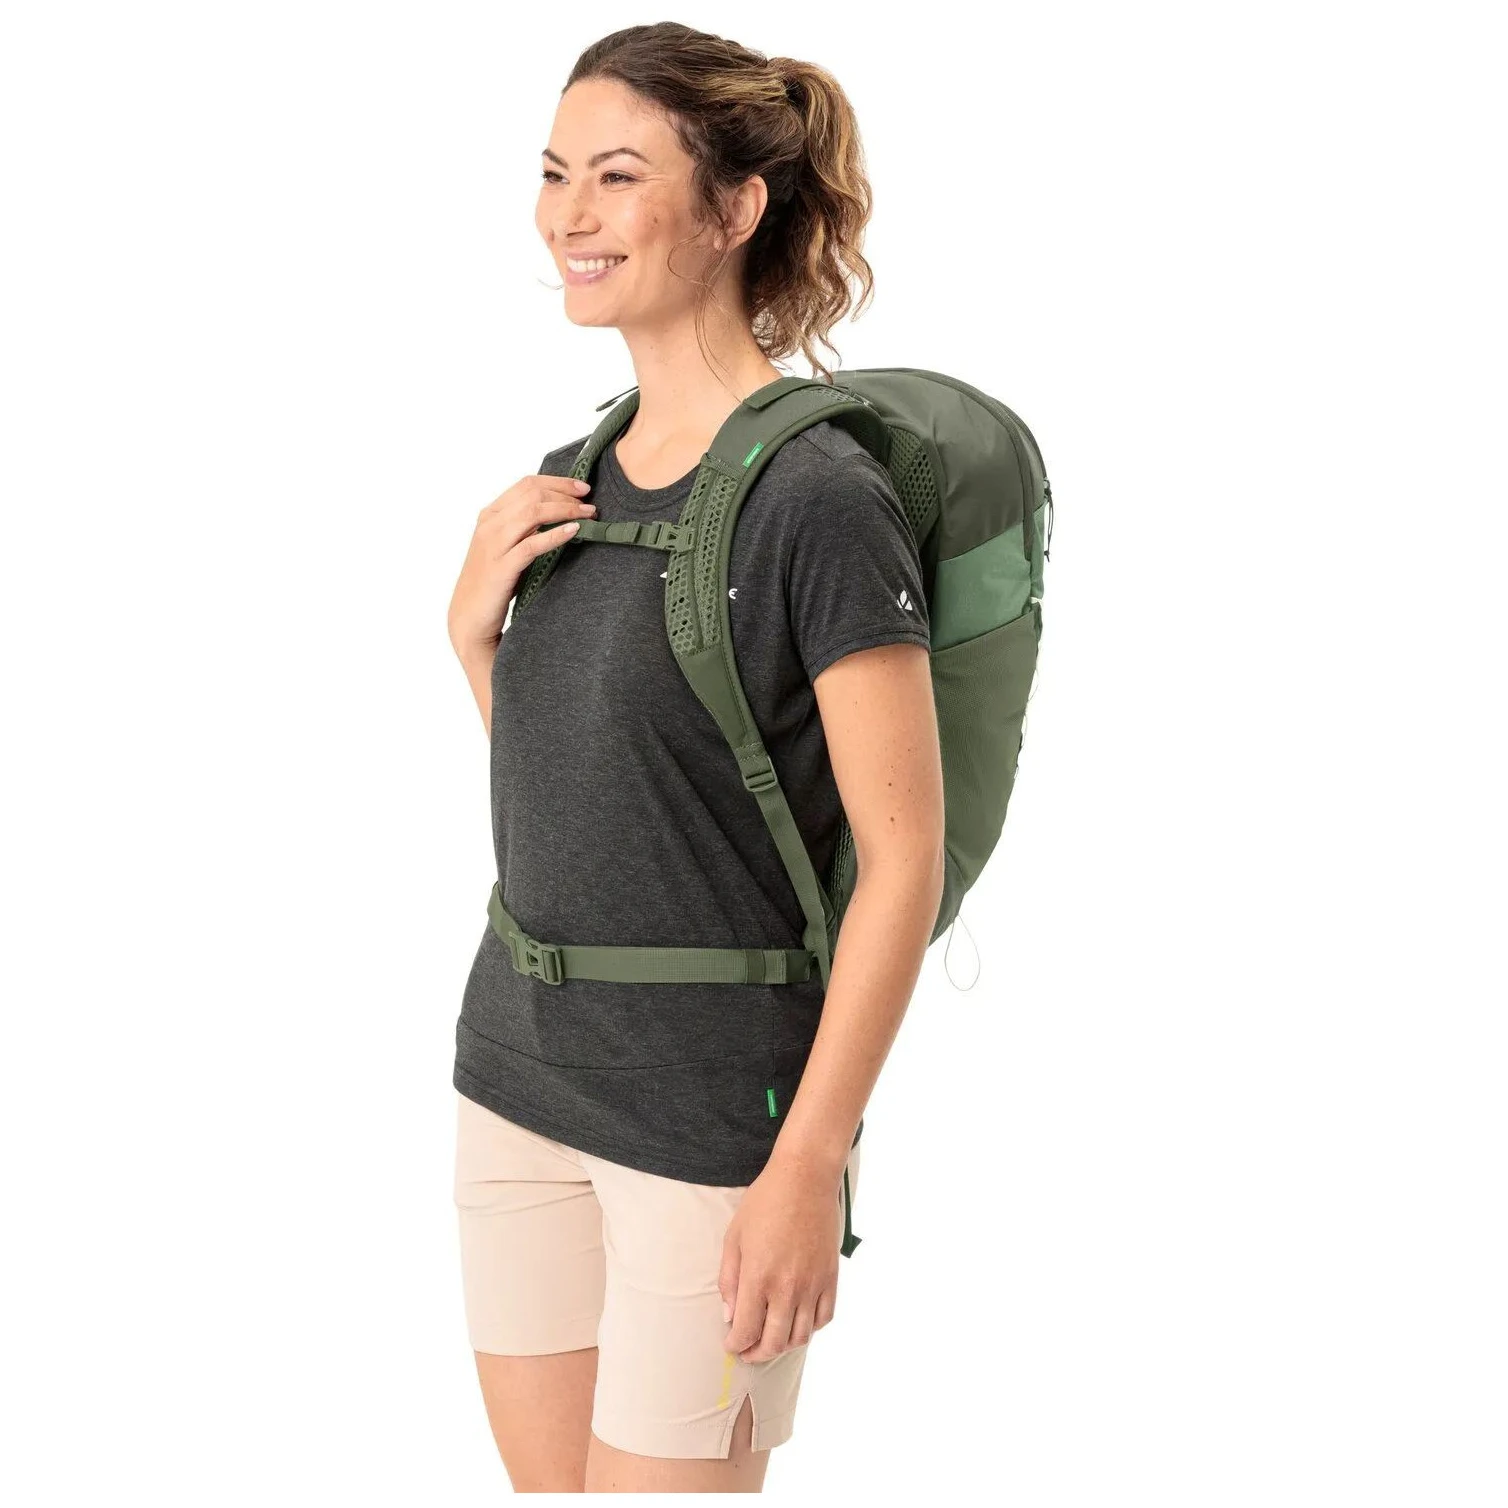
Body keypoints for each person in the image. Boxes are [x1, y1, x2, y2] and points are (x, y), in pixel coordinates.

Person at [445, 22, 945, 1494]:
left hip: (712, 1125)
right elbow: (610, 801)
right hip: (515, 1083)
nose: (569, 215)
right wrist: (474, 645)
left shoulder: (819, 500)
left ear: (735, 209)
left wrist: (809, 1164)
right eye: (554, 174)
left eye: (617, 176)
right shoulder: (575, 478)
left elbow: (903, 859)